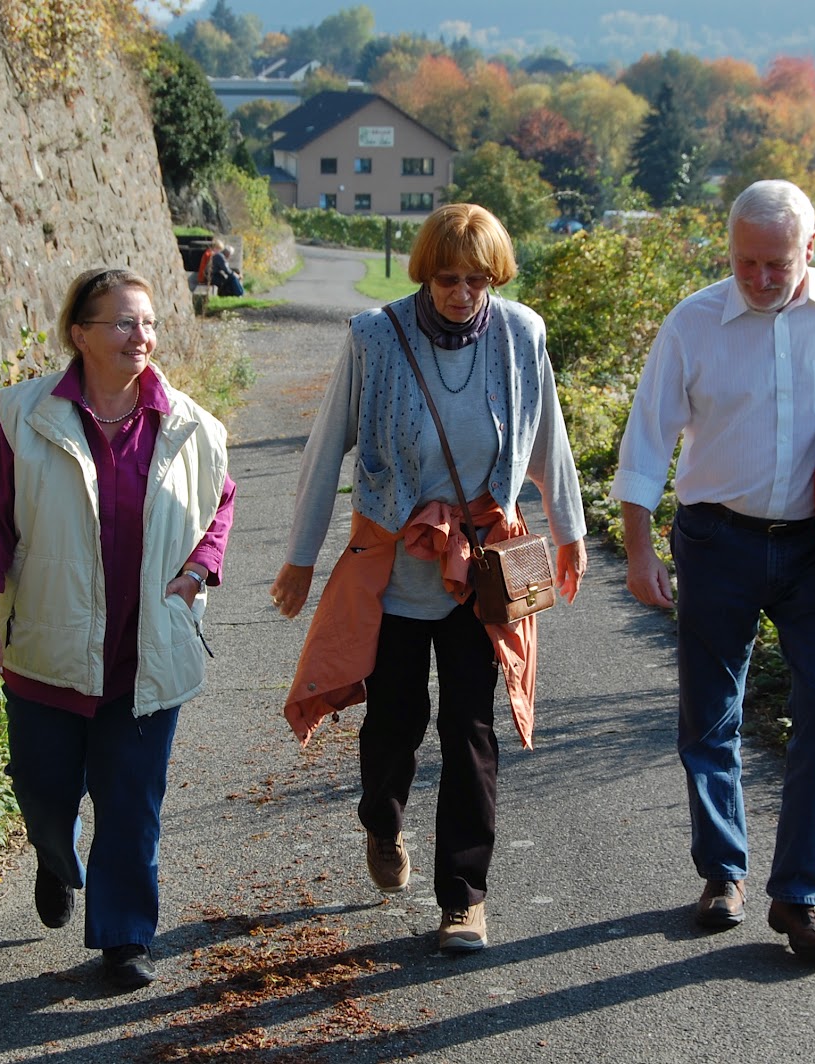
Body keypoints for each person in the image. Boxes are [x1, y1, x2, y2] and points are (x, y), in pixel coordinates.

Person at [270, 202, 588, 953]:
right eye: (449, 278)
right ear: (426, 272)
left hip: (483, 572)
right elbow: (325, 453)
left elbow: (550, 441)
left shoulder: (521, 335)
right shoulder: (375, 339)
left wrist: (569, 532)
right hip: (397, 570)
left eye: (478, 279)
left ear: (495, 278)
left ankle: (463, 899)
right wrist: (298, 556)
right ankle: (382, 820)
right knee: (395, 723)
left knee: (470, 725)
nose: (463, 294)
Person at [610, 180, 815, 959]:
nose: (759, 278)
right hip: (718, 542)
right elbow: (647, 439)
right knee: (710, 716)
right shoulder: (694, 321)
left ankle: (801, 895)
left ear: (810, 251)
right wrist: (639, 548)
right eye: (745, 262)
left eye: (776, 264)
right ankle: (722, 873)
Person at [0, 267, 236, 990]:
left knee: (131, 802)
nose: (139, 336)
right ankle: (56, 859)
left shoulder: (191, 427)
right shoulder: (25, 419)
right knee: (43, 789)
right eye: (121, 322)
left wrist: (200, 568)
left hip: (145, 655)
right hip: (47, 650)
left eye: (146, 323)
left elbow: (220, 506)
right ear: (79, 334)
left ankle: (124, 937)